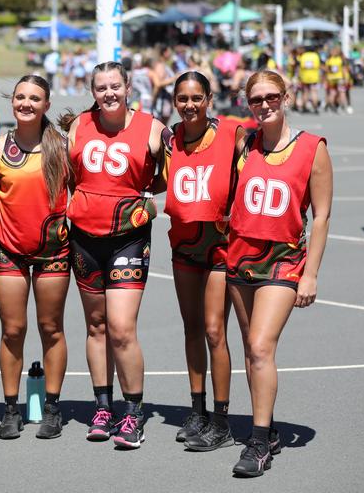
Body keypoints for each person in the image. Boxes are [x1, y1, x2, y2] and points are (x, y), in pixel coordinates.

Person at [227, 70, 332, 476]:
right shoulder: (245, 144)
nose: (265, 104)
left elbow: (321, 216)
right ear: (248, 104)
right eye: (256, 99)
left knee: (259, 347)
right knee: (251, 351)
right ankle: (267, 429)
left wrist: (311, 274)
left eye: (272, 96)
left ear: (286, 98)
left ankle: (257, 443)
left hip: (284, 260)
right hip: (240, 258)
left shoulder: (311, 148)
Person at [59, 61, 168, 449]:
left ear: (128, 88)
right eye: (101, 87)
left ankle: (133, 413)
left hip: (128, 238)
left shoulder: (151, 128)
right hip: (84, 238)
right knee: (96, 326)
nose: (109, 93)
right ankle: (102, 407)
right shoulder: (79, 126)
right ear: (93, 91)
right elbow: (69, 175)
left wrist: (143, 196)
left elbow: (171, 173)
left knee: (121, 328)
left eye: (115, 86)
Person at [162, 72, 247, 451]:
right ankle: (197, 410)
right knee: (192, 329)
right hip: (184, 246)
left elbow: (259, 165)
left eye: (197, 98)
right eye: (182, 98)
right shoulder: (169, 140)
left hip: (219, 248)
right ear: (174, 101)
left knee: (214, 331)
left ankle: (221, 420)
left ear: (209, 99)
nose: (190, 105)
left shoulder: (231, 133)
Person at [0, 75, 70, 440]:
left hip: (54, 251)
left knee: (51, 328)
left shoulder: (63, 147)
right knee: (12, 330)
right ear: (12, 101)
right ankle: (11, 409)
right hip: (9, 251)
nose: (26, 103)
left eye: (35, 98)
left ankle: (51, 407)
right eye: (20, 97)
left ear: (46, 105)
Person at [297, 46, 321, 114]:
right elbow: (318, 66)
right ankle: (315, 108)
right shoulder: (316, 56)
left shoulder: (303, 56)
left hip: (305, 77)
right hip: (314, 77)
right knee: (314, 92)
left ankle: (304, 108)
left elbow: (301, 66)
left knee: (305, 92)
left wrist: (299, 76)